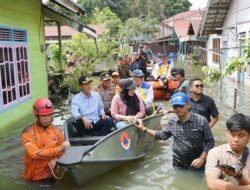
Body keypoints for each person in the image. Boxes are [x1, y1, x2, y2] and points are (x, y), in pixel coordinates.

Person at [135, 92, 215, 170]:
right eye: (175, 107)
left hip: (198, 163)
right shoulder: (172, 122)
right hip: (179, 164)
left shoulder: (201, 120)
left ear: (188, 105)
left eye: (181, 106)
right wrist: (144, 129)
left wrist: (202, 158)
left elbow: (210, 141)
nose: (178, 109)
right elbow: (162, 135)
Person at [21, 98, 70, 182]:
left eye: (49, 115)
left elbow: (62, 152)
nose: (47, 118)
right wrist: (58, 149)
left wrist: (55, 159)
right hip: (34, 178)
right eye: (44, 116)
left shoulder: (57, 130)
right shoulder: (28, 133)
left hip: (51, 174)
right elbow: (34, 154)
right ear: (36, 116)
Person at [205, 113, 250, 189]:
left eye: (241, 135)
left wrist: (238, 175)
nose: (236, 139)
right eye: (232, 134)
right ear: (227, 133)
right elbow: (212, 183)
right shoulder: (215, 153)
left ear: (249, 136)